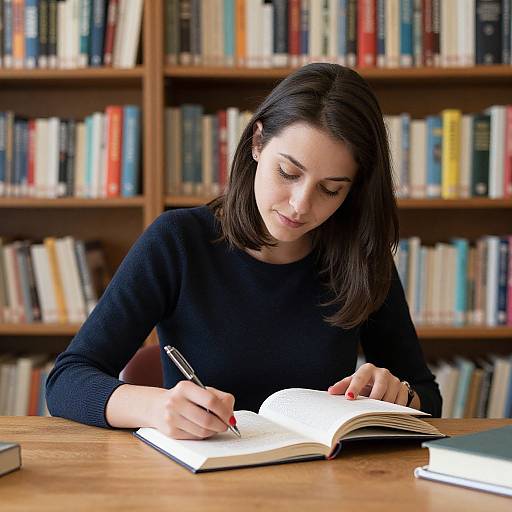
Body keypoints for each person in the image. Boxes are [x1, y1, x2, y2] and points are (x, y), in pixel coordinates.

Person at [46, 63, 442, 440]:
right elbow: (67, 380)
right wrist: (157, 407)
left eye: (330, 189)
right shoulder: (179, 241)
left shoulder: (361, 257)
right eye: (288, 173)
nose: (300, 204)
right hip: (200, 481)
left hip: (320, 485)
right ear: (256, 142)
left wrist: (400, 395)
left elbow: (428, 396)